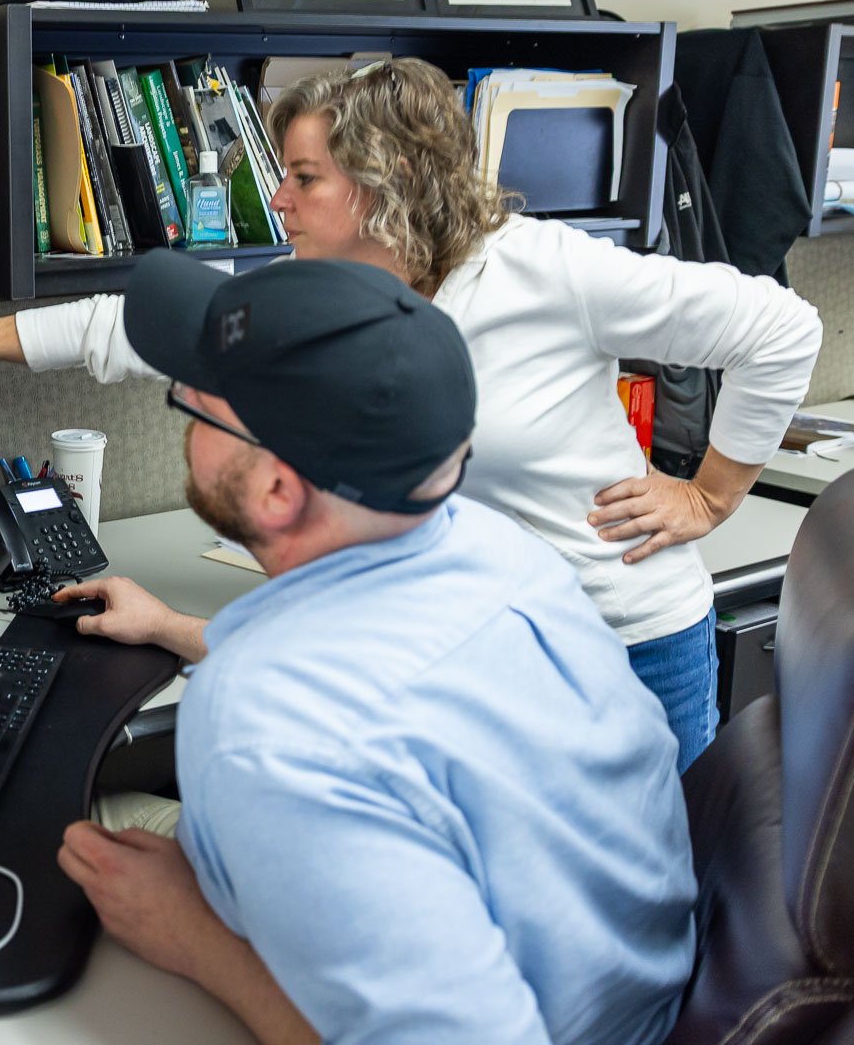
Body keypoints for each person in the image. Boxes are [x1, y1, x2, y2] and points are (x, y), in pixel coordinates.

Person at [0, 57, 822, 770]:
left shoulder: (546, 268)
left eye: (303, 177)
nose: (280, 197)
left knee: (644, 913)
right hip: (466, 643)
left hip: (621, 641)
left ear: (384, 187)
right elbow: (124, 328)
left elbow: (782, 330)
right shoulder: (324, 289)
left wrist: (711, 496)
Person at [52, 251, 694, 1045]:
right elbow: (383, 679)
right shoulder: (503, 548)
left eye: (193, 402)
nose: (181, 407)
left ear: (278, 491)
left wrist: (194, 939)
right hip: (629, 982)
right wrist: (174, 629)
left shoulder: (268, 726)